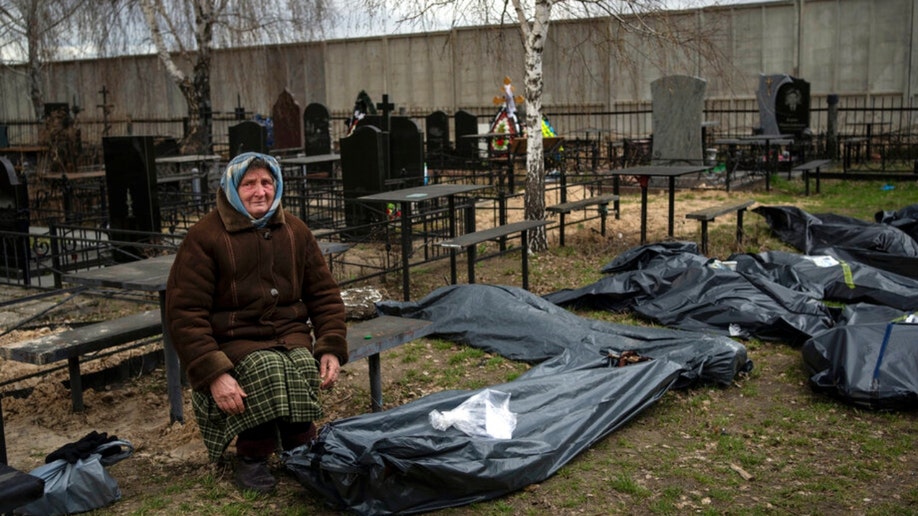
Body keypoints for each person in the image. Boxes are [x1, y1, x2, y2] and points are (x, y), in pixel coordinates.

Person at [165, 152, 348, 494]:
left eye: (267, 182)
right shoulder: (205, 237)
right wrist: (215, 373)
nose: (259, 191)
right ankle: (252, 456)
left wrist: (331, 346)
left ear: (277, 185)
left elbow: (324, 294)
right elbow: (185, 313)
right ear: (233, 188)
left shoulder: (295, 230)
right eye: (249, 184)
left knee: (299, 362)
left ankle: (301, 447)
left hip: (288, 333)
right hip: (233, 339)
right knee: (265, 366)